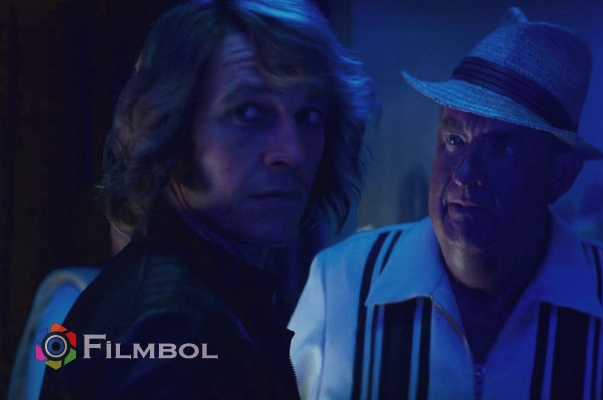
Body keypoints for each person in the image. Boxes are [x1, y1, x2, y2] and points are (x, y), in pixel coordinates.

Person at [288, 7, 603, 399]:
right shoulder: (342, 283)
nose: (465, 173)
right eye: (454, 140)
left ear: (560, 173)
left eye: (502, 147)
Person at [39, 0, 377, 398]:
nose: (294, 152)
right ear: (169, 125)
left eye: (310, 115)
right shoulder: (174, 325)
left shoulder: (191, 298)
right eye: (248, 112)